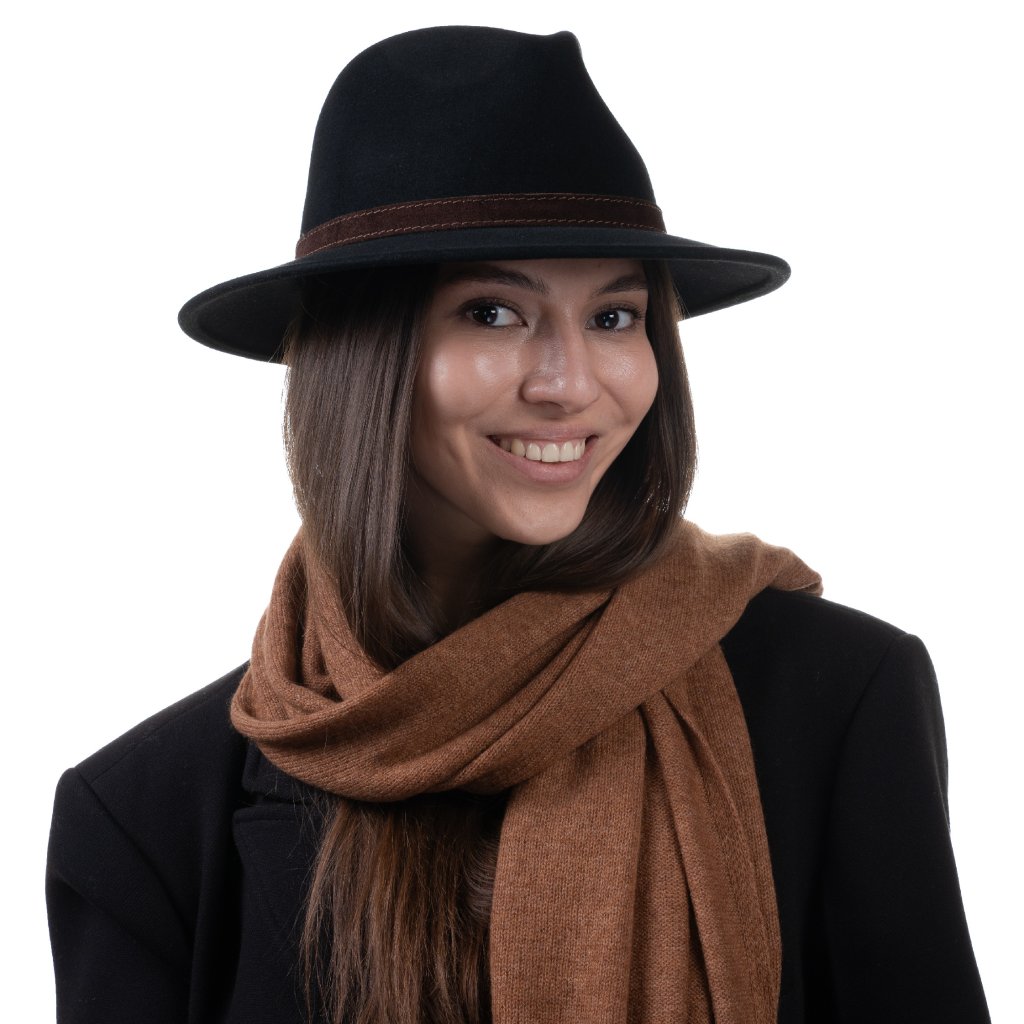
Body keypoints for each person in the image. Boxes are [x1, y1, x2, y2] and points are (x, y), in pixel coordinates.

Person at [44, 25, 991, 1024]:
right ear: (359, 355)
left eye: (615, 317)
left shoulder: (834, 699)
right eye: (493, 313)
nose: (571, 384)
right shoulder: (143, 819)